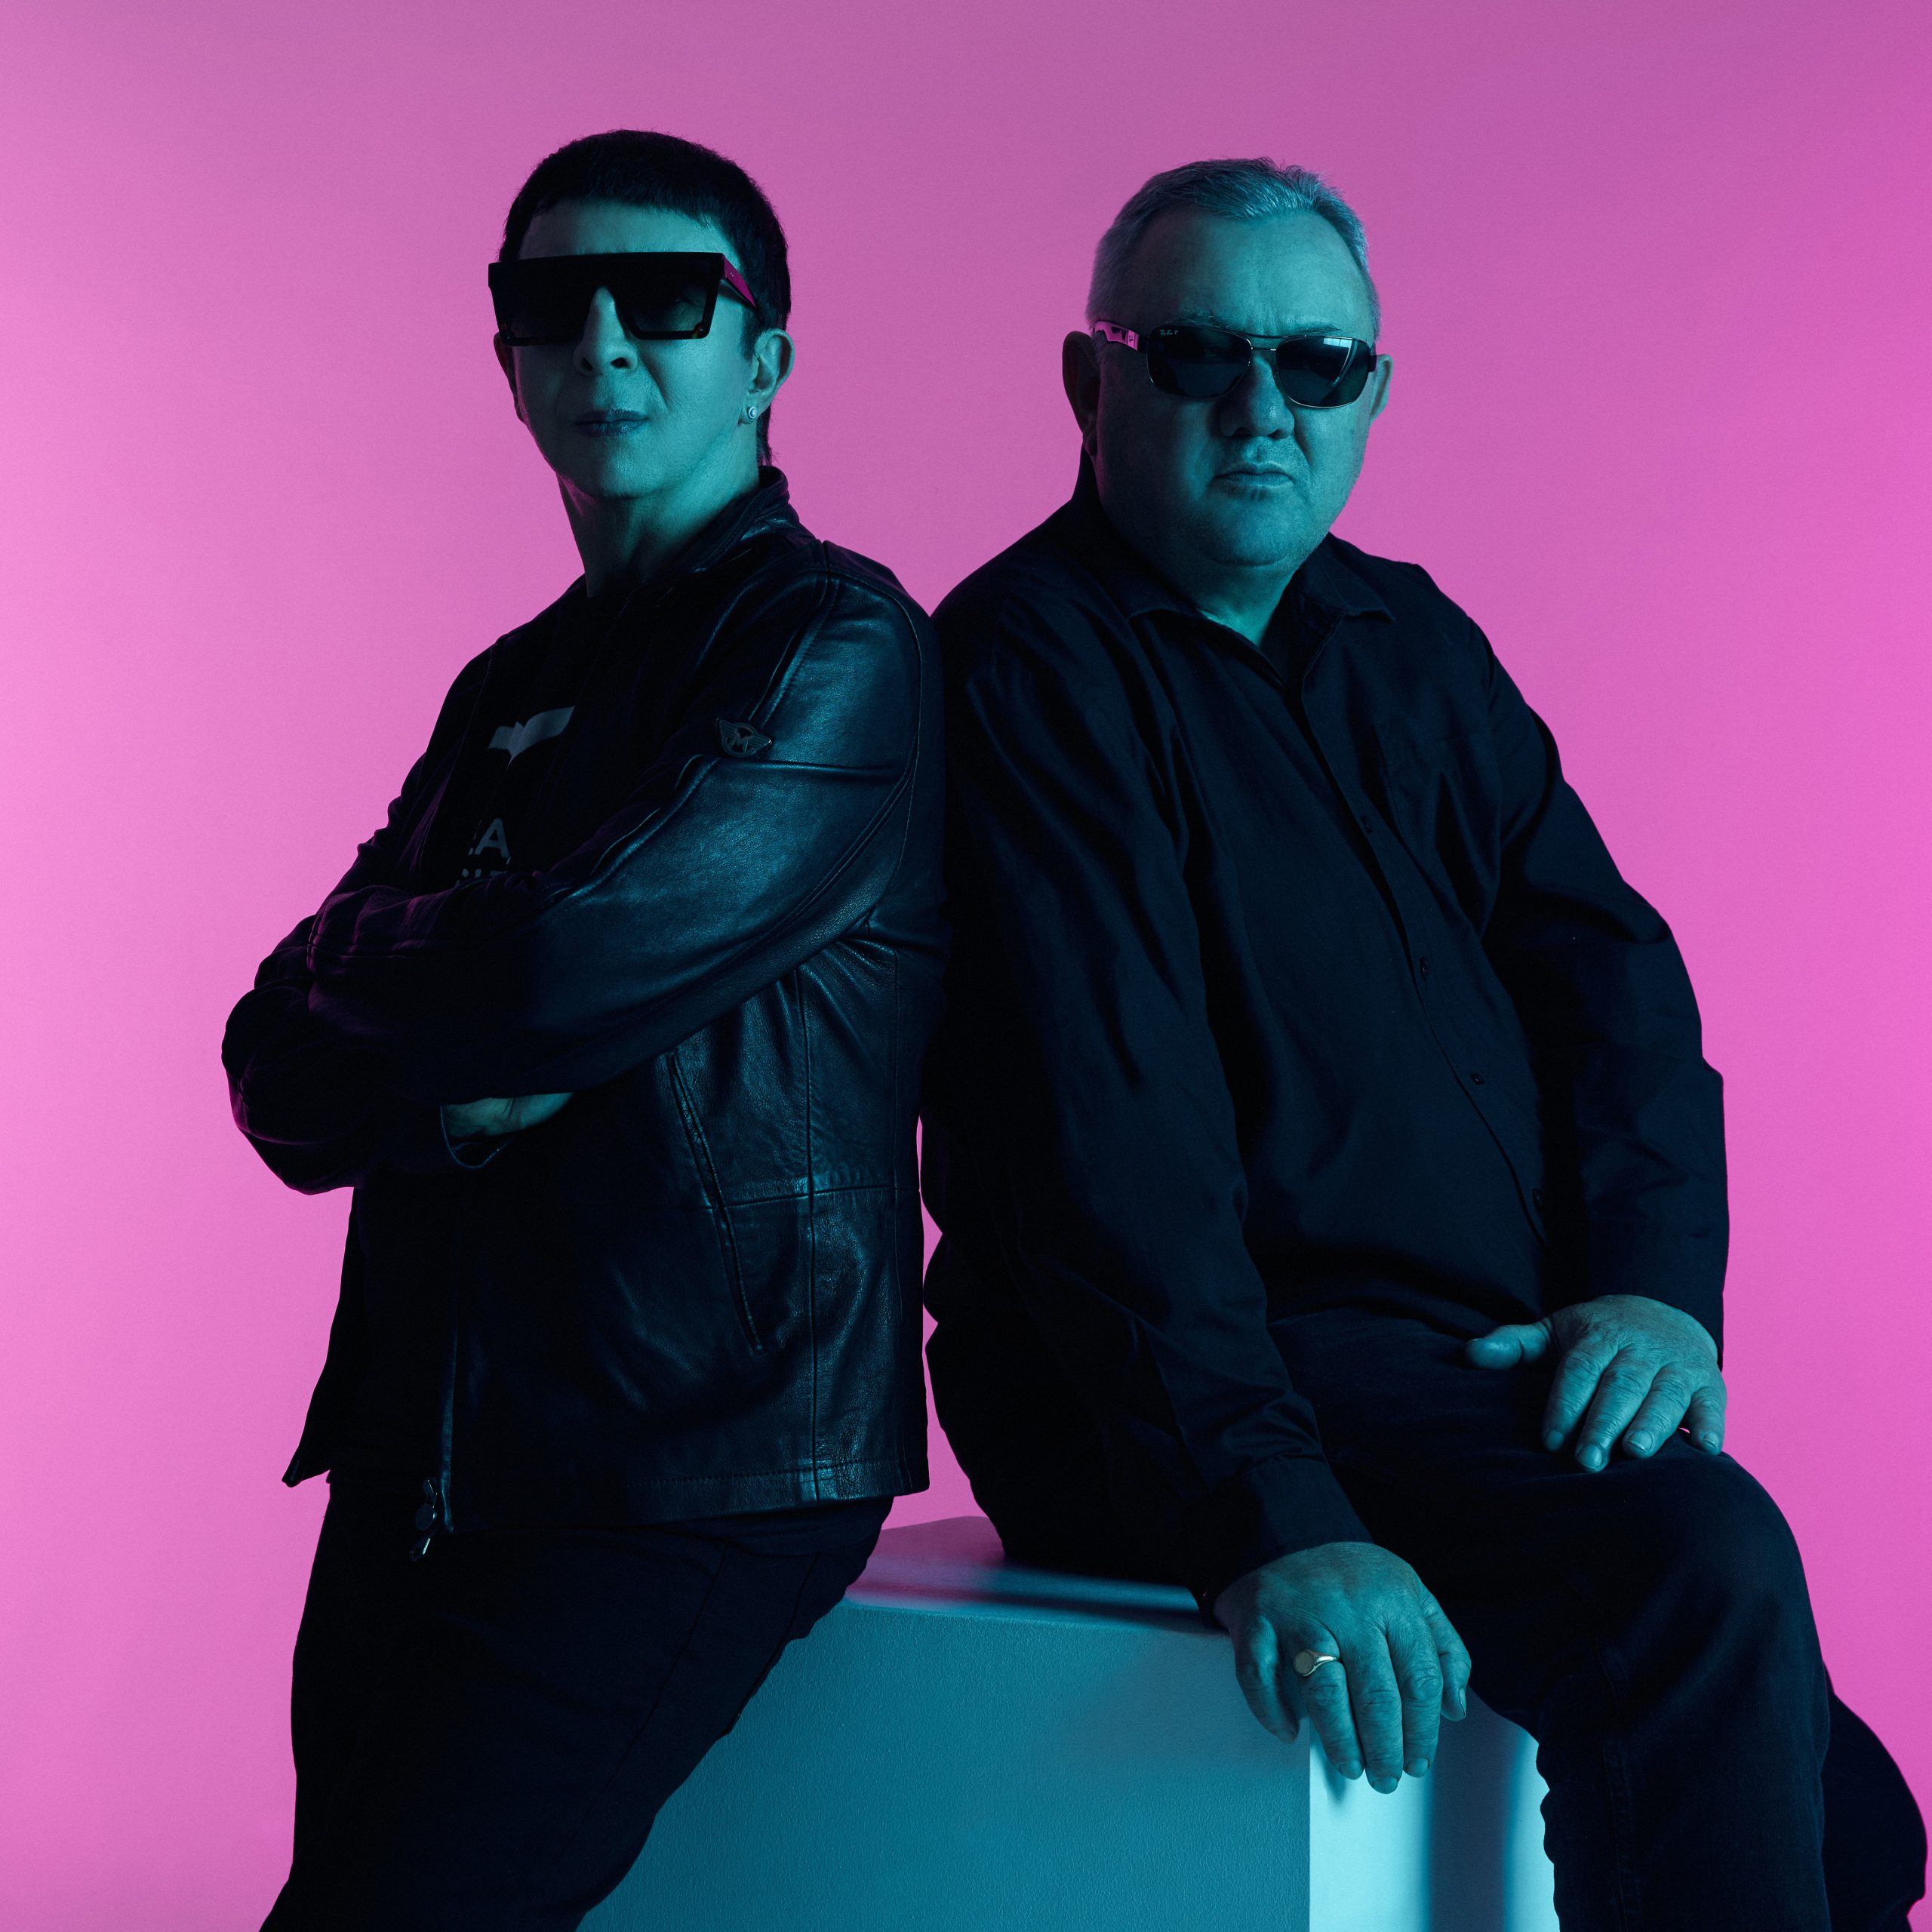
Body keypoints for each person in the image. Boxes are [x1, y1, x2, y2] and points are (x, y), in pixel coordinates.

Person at [920, 158, 1924, 1929]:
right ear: (1090, 381)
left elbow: (1608, 978)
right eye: (1196, 355)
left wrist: (1647, 1289)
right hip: (1179, 1378)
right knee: (1697, 1563)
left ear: (1368, 390)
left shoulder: (1410, 638)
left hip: (1454, 1368)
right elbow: (1103, 1135)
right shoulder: (1022, 667)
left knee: (1856, 1836)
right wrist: (1268, 1510)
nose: (1261, 409)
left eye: (1315, 364)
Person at [222, 128, 943, 1929]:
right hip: (430, 1444)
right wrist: (444, 1090)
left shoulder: (832, 642)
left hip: (688, 1454)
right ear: (508, 360)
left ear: (763, 358)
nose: (604, 342)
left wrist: (385, 966)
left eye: (666, 300)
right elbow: (270, 1065)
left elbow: (549, 971)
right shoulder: (510, 684)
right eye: (554, 305)